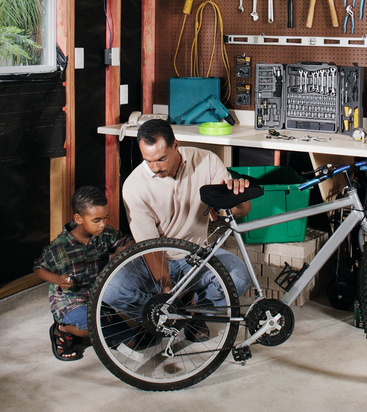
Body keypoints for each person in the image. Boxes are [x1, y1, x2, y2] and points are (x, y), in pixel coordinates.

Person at [100, 119, 254, 344]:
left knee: (239, 277)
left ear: (175, 145)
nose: (155, 168)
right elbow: (150, 245)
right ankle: (155, 319)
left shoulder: (207, 161)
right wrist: (166, 290)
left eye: (161, 159)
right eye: (148, 160)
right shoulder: (134, 186)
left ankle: (195, 315)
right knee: (111, 289)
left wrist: (239, 195)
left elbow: (240, 212)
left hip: (197, 255)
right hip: (154, 256)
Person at [34, 186, 129, 361]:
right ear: (78, 219)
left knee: (131, 340)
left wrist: (118, 253)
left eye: (105, 218)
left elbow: (128, 243)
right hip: (69, 299)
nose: (103, 224)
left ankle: (99, 323)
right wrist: (57, 279)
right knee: (90, 325)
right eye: (96, 220)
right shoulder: (59, 246)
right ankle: (62, 329)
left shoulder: (106, 234)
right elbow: (38, 267)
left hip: (97, 296)